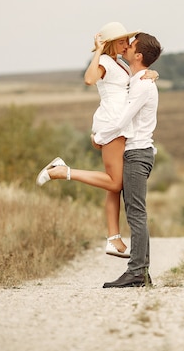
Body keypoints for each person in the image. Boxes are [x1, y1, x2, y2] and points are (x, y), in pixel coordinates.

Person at [37, 32, 162, 288]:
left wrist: (99, 137)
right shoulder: (138, 78)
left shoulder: (143, 85)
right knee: (128, 204)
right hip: (133, 150)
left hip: (138, 153)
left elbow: (122, 119)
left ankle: (137, 272)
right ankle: (139, 270)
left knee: (136, 213)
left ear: (138, 55)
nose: (126, 46)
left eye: (131, 44)